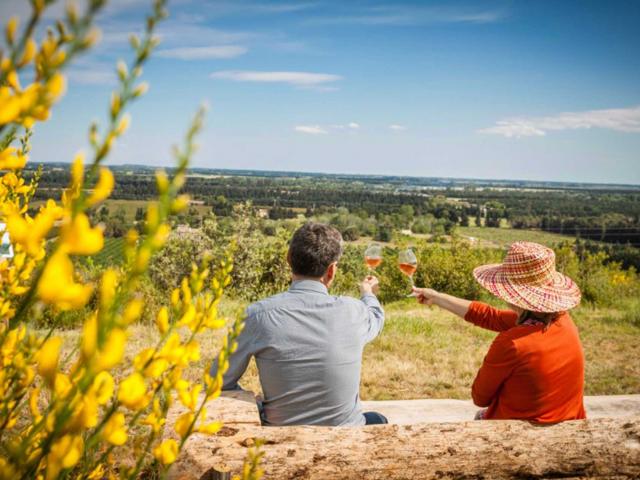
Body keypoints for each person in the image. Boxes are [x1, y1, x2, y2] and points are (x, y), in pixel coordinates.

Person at [212, 222, 387, 426]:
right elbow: (376, 317)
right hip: (346, 437)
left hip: (278, 439)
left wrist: (257, 405)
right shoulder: (354, 311)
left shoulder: (257, 316)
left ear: (289, 260)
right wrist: (368, 293)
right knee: (378, 420)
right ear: (331, 271)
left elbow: (217, 381)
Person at [413, 241, 586, 423]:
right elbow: (489, 316)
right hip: (570, 424)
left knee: (480, 418)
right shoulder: (561, 320)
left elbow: (480, 398)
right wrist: (437, 297)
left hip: (518, 436)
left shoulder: (512, 343)